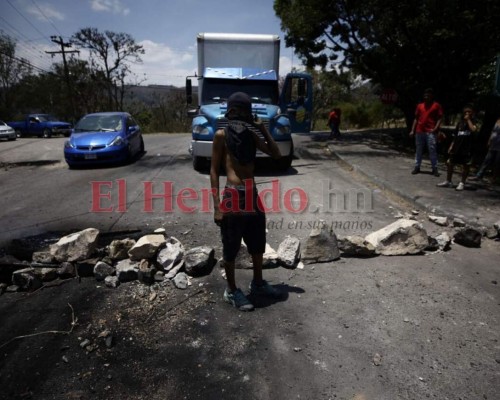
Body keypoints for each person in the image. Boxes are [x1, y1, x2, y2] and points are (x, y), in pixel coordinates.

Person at [210, 92, 283, 311]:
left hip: (252, 194)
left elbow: (276, 154)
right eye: (239, 111)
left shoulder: (251, 137)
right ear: (231, 112)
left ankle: (258, 283)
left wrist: (262, 128)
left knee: (257, 242)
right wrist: (216, 206)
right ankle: (231, 290)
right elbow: (213, 171)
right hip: (232, 196)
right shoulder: (221, 136)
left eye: (246, 111)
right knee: (230, 244)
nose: (242, 115)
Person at [437, 104, 479, 190]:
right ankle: (448, 181)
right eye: (465, 112)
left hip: (467, 148)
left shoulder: (473, 122)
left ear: (472, 113)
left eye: (469, 112)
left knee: (466, 165)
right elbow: (456, 136)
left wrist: (468, 120)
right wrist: (451, 146)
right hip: (457, 147)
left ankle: (462, 182)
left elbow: (473, 130)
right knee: (450, 163)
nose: (467, 113)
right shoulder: (460, 123)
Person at [409, 88, 444, 176]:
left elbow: (440, 118)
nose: (426, 96)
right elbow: (416, 118)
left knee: (432, 149)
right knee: (419, 149)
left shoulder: (436, 105)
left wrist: (436, 128)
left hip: (430, 131)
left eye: (428, 94)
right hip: (419, 131)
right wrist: (412, 130)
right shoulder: (420, 106)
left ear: (432, 96)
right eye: (425, 94)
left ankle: (434, 168)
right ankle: (417, 167)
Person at [469, 116, 500, 182]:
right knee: (486, 160)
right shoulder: (497, 120)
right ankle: (478, 175)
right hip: (493, 144)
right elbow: (493, 131)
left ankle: (493, 178)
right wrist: (489, 140)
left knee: (497, 163)